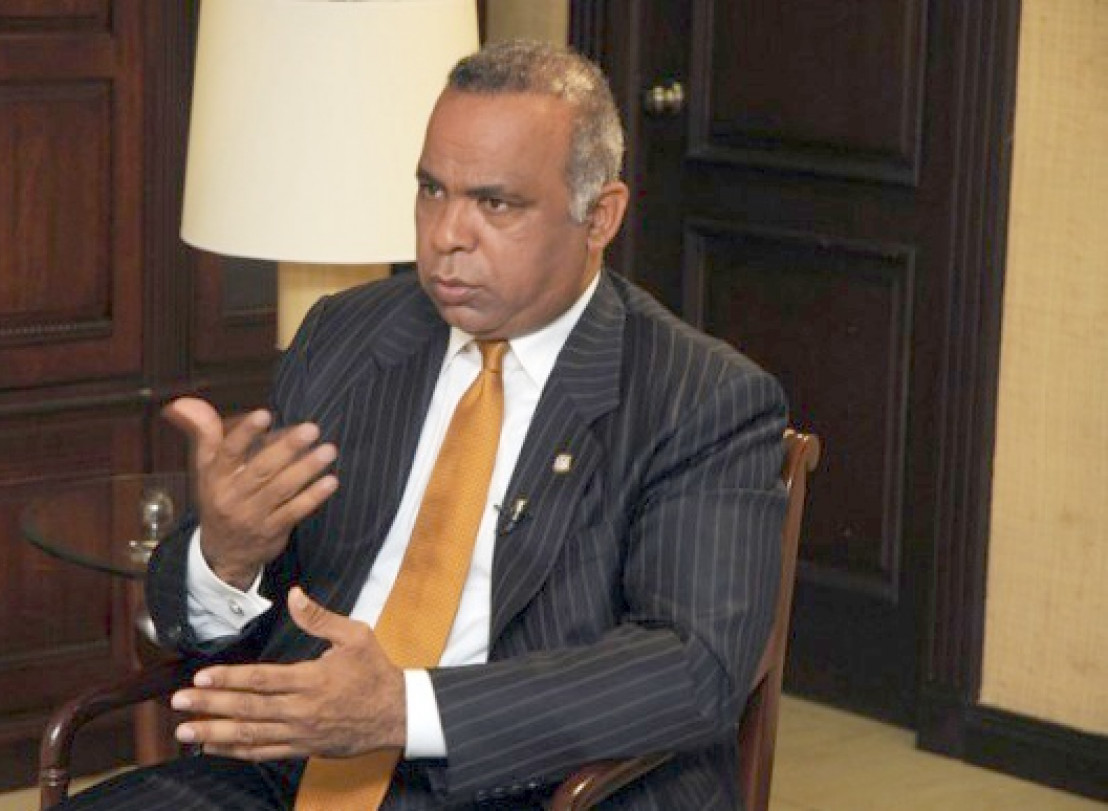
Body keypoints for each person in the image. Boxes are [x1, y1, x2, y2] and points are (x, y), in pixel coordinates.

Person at [62, 40, 787, 810]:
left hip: (532, 785)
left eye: (495, 204)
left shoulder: (700, 395)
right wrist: (225, 555)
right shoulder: (347, 336)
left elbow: (692, 668)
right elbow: (204, 619)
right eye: (431, 190)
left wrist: (405, 710)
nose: (446, 235)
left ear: (599, 215)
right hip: (295, 769)